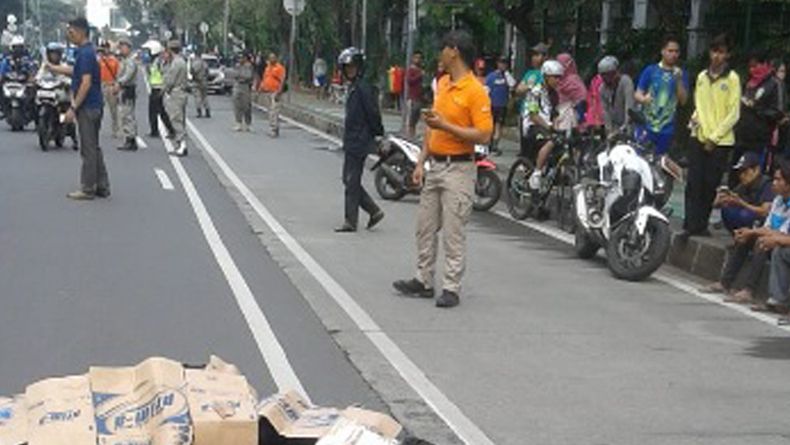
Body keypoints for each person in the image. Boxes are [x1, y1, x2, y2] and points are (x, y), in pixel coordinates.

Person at [392, 30, 493, 309]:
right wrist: (421, 161)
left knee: (453, 231)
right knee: (424, 226)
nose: (440, 54)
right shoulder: (444, 84)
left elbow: (484, 135)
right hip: (435, 164)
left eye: (444, 49)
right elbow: (431, 128)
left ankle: (451, 286)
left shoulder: (475, 91)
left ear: (455, 51)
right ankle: (423, 279)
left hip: (459, 169)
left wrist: (445, 127)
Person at [682, 34, 742, 238]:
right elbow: (700, 105)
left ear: (727, 55)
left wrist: (714, 138)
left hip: (720, 141)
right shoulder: (701, 77)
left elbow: (733, 113)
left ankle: (701, 224)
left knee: (709, 184)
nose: (717, 56)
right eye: (714, 51)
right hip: (698, 136)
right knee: (693, 182)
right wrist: (695, 123)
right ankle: (690, 224)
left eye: (721, 52)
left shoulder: (732, 79)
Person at [47, 17, 109, 200]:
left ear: (81, 31)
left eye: (71, 31)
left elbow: (86, 83)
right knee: (94, 147)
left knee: (88, 149)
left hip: (88, 107)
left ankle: (88, 188)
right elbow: (76, 72)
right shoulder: (85, 52)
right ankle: (102, 185)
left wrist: (73, 108)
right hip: (94, 105)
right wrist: (54, 68)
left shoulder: (86, 53)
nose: (69, 34)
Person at [700, 153, 774, 302]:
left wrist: (741, 203)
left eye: (746, 172)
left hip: (768, 232)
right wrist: (722, 198)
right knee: (743, 237)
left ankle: (749, 289)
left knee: (760, 242)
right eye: (740, 172)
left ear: (756, 170)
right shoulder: (744, 185)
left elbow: (765, 212)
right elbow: (716, 204)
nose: (742, 176)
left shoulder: (767, 187)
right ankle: (724, 282)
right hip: (760, 229)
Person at [333, 47, 385, 234]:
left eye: (353, 67)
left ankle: (351, 220)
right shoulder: (354, 87)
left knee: (351, 180)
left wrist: (378, 134)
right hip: (352, 139)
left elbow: (373, 113)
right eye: (347, 68)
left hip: (359, 140)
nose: (349, 71)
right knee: (349, 180)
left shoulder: (363, 88)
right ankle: (373, 210)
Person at [729, 160, 790, 314]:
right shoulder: (778, 200)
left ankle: (756, 291)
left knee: (767, 245)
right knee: (746, 238)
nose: (773, 183)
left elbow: (782, 234)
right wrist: (750, 232)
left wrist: (761, 235)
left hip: (783, 241)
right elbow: (769, 227)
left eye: (778, 180)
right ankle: (726, 282)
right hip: (779, 238)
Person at [634, 35, 689, 155]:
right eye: (670, 51)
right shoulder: (651, 70)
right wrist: (644, 99)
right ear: (662, 51)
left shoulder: (681, 73)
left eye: (676, 51)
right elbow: (637, 94)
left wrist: (678, 81)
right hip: (646, 125)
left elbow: (683, 101)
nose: (673, 54)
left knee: (660, 162)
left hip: (667, 128)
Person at [733, 51, 782, 174]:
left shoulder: (774, 84)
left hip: (760, 140)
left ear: (765, 64)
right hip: (741, 137)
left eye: (755, 66)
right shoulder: (747, 83)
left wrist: (757, 109)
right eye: (750, 67)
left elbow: (778, 112)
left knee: (754, 174)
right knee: (736, 173)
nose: (752, 70)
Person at [526, 60, 564, 190]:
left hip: (547, 126)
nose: (558, 80)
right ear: (546, 77)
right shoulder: (535, 91)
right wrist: (548, 126)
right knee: (551, 142)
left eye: (560, 77)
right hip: (533, 126)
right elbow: (533, 115)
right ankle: (537, 172)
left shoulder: (555, 94)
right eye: (556, 77)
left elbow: (555, 114)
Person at [36, 42, 78, 148]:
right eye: (52, 54)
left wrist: (67, 83)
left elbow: (70, 78)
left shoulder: (63, 66)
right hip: (48, 92)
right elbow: (39, 76)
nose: (54, 56)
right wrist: (35, 81)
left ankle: (74, 138)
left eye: (56, 54)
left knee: (64, 115)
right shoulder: (45, 66)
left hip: (61, 93)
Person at [516, 43, 549, 158]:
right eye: (533, 55)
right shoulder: (530, 73)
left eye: (537, 55)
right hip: (527, 112)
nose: (534, 58)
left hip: (542, 114)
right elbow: (519, 90)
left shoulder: (548, 74)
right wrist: (530, 85)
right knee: (526, 142)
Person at [485, 56, 516, 155]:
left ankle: (495, 145)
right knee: (490, 126)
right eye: (501, 63)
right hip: (492, 104)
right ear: (497, 64)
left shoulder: (507, 76)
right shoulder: (491, 76)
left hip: (502, 105)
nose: (503, 65)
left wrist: (506, 74)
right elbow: (486, 90)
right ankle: (488, 144)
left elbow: (513, 85)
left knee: (498, 125)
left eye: (505, 63)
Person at [163, 40, 189, 157]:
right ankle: (181, 144)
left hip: (176, 93)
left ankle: (182, 145)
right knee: (180, 119)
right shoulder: (182, 61)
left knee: (176, 119)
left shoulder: (176, 63)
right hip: (182, 92)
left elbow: (170, 80)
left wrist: (165, 89)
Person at [597, 55, 635, 136]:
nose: (606, 78)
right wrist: (610, 131)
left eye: (609, 74)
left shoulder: (625, 82)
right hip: (614, 128)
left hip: (629, 126)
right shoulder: (602, 89)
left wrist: (625, 126)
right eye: (603, 75)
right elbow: (605, 111)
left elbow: (629, 107)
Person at [145, 41, 174, 138]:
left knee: (158, 111)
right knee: (157, 111)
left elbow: (164, 74)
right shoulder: (154, 62)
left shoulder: (159, 62)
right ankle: (156, 130)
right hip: (155, 88)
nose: (147, 53)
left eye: (149, 51)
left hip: (158, 88)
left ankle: (168, 130)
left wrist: (164, 88)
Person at [115, 37, 138, 151]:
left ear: (128, 48)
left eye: (123, 47)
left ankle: (130, 139)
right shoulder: (124, 60)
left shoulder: (130, 61)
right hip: (124, 89)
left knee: (127, 115)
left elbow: (128, 75)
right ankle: (128, 138)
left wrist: (119, 82)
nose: (121, 49)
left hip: (128, 89)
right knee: (124, 115)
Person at [555, 53, 587, 129]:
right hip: (560, 113)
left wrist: (581, 119)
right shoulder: (559, 80)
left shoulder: (573, 80)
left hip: (570, 115)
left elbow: (581, 99)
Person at [259, 52, 286, 138]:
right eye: (270, 58)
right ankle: (275, 127)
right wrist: (261, 88)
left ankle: (274, 130)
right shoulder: (267, 68)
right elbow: (265, 78)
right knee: (270, 111)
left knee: (274, 111)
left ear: (276, 59)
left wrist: (279, 92)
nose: (271, 60)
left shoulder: (279, 68)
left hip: (275, 92)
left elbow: (282, 80)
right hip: (267, 91)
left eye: (273, 58)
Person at [97, 41, 120, 139]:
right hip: (101, 85)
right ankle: (96, 129)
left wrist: (117, 85)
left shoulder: (114, 61)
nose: (104, 49)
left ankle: (116, 130)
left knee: (113, 109)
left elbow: (118, 74)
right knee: (98, 109)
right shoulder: (98, 60)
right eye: (103, 48)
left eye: (106, 47)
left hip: (111, 84)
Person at [232, 51, 255, 132]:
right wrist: (240, 77)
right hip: (237, 85)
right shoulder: (237, 66)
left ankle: (248, 123)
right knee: (237, 104)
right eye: (239, 58)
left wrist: (241, 77)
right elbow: (235, 75)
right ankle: (238, 122)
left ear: (245, 58)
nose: (240, 59)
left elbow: (248, 76)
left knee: (246, 106)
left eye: (242, 57)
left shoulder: (249, 66)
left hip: (245, 86)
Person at [406, 50, 424, 139]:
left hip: (419, 98)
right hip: (412, 98)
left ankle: (412, 135)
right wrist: (419, 76)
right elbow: (410, 81)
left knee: (416, 119)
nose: (418, 60)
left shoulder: (420, 69)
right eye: (416, 57)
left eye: (419, 58)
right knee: (411, 120)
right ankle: (410, 137)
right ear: (413, 58)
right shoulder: (411, 69)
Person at [190, 51, 211, 118]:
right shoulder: (204, 63)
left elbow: (192, 71)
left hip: (196, 81)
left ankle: (199, 112)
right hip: (204, 81)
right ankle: (207, 111)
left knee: (197, 97)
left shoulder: (194, 63)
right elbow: (208, 72)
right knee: (205, 97)